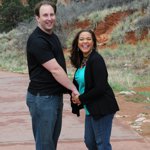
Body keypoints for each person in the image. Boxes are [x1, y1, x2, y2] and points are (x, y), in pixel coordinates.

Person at [26, 1, 79, 150]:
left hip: (53, 96)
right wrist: (74, 90)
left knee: (51, 143)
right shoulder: (37, 40)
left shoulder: (52, 36)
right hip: (42, 99)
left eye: (52, 14)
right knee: (45, 145)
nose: (49, 18)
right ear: (37, 18)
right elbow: (55, 70)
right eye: (45, 15)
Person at [70, 29, 119, 150]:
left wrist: (81, 98)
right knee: (90, 142)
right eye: (81, 39)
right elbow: (81, 83)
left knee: (102, 144)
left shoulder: (96, 59)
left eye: (88, 39)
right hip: (91, 107)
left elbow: (100, 88)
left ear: (93, 43)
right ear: (77, 43)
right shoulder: (83, 61)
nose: (85, 42)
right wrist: (73, 94)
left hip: (102, 107)